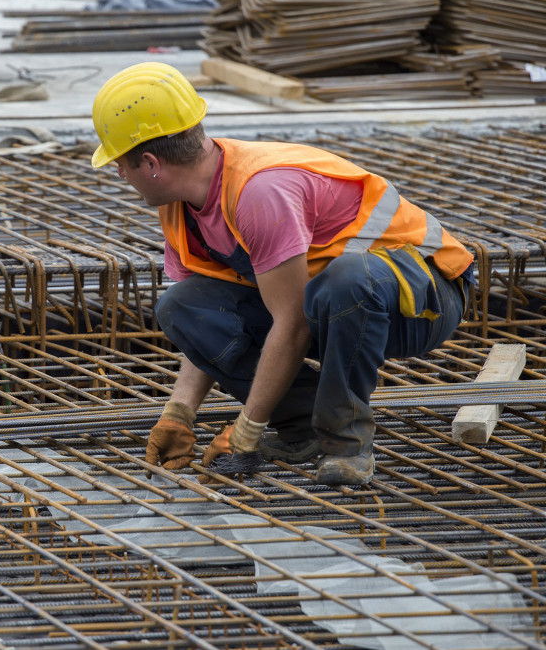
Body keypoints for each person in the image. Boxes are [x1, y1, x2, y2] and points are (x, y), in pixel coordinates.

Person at [90, 62, 474, 486]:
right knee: (182, 306)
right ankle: (306, 423)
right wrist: (178, 413)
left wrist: (246, 432)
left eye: (120, 164)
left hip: (423, 295)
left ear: (150, 162)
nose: (119, 173)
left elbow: (290, 324)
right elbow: (214, 321)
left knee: (345, 280)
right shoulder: (180, 205)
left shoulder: (259, 191)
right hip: (330, 304)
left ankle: (346, 445)